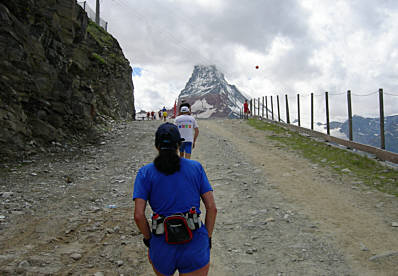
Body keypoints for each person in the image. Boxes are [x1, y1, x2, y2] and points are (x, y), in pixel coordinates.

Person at [133, 123, 217, 276]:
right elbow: (212, 208)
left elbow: (138, 215)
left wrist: (148, 240)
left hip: (162, 244)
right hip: (194, 243)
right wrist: (208, 237)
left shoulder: (145, 173)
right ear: (179, 144)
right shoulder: (196, 167)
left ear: (157, 146)